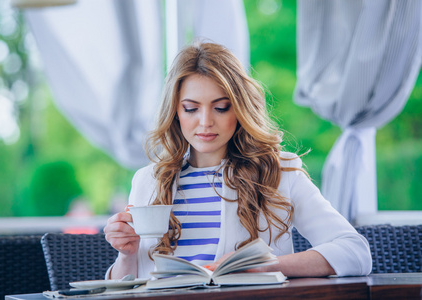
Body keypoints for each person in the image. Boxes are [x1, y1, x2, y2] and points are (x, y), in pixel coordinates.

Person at [104, 41, 372, 280]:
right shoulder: (148, 181)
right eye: (191, 108)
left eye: (221, 107)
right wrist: (126, 255)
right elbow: (128, 284)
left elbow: (355, 252)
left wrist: (267, 266)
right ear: (176, 111)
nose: (206, 122)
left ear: (240, 108)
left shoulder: (278, 172)